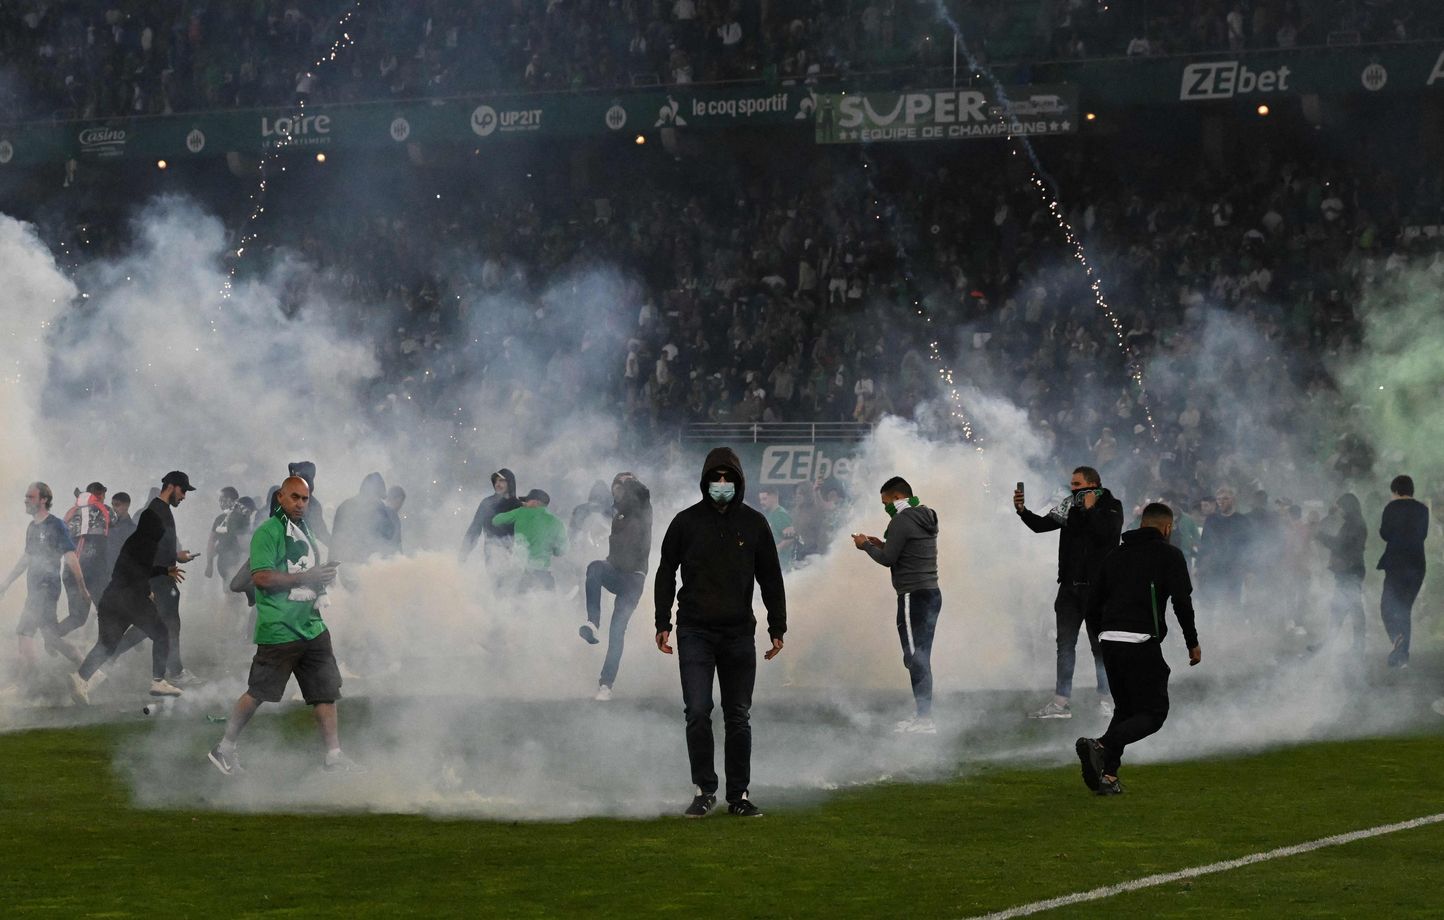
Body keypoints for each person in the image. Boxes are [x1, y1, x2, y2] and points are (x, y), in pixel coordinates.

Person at [655, 447, 786, 818]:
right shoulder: (684, 523)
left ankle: (739, 795)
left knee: (737, 715)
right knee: (697, 710)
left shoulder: (756, 524)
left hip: (739, 633)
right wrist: (662, 622)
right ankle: (703, 790)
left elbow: (771, 578)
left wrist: (778, 626)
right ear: (705, 481)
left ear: (740, 481)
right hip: (694, 630)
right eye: (717, 478)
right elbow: (665, 572)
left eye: (729, 479)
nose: (722, 485)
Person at [207, 476, 363, 776]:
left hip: (312, 625)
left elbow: (305, 572)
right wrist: (308, 578)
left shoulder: (303, 530)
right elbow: (261, 577)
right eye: (294, 497)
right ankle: (223, 748)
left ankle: (333, 756)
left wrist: (323, 577)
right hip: (280, 628)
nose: (300, 504)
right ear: (280, 497)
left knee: (325, 691)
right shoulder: (268, 531)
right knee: (258, 693)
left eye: (305, 499)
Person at [1075, 503, 1201, 796]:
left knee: (1126, 709)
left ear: (1141, 523)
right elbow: (1182, 602)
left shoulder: (1115, 555)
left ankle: (1107, 776)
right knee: (1154, 713)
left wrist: (1100, 638)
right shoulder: (1170, 556)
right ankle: (1101, 746)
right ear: (1167, 528)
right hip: (1140, 641)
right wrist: (1192, 643)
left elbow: (1092, 605)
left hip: (1110, 641)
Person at [69, 472, 195, 702]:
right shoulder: (152, 526)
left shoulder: (136, 542)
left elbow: (141, 563)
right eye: (183, 490)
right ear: (172, 487)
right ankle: (159, 681)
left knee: (107, 644)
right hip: (131, 597)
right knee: (162, 632)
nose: (184, 496)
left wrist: (165, 568)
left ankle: (80, 678)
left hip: (113, 596)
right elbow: (143, 564)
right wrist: (153, 583)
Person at [1014, 466, 1123, 719]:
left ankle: (1106, 699)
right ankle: (1061, 702)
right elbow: (1041, 526)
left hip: (1099, 591)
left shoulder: (1112, 506)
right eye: (1072, 485)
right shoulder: (1068, 507)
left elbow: (1106, 535)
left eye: (1077, 484)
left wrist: (1091, 509)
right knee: (1064, 646)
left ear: (1094, 484)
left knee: (1101, 647)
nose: (1072, 489)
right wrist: (1022, 511)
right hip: (1069, 589)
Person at [853, 476, 941, 734]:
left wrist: (866, 546)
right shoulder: (926, 514)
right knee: (921, 656)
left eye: (885, 502)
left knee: (916, 658)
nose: (885, 507)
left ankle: (925, 720)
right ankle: (923, 717)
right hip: (932, 592)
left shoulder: (901, 520)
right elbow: (905, 549)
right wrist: (882, 543)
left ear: (895, 497)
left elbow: (889, 559)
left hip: (912, 595)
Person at [1, 482, 89, 682]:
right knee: (52, 638)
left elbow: (71, 557)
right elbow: (27, 558)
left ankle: (25, 684)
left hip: (46, 589)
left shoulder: (56, 524)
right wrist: (6, 583)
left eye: (30, 497)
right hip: (35, 590)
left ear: (44, 500)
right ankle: (91, 671)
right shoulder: (32, 527)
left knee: (24, 632)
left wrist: (82, 589)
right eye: (26, 496)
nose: (26, 500)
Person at [580, 472, 652, 700]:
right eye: (617, 485)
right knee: (594, 567)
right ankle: (592, 622)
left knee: (617, 630)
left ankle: (606, 685)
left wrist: (629, 480)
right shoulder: (616, 512)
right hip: (615, 570)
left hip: (633, 579)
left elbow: (642, 493)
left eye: (624, 485)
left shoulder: (642, 506)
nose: (620, 488)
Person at [1377, 475, 1428, 669]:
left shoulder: (1391, 508)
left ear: (1396, 490)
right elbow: (1422, 534)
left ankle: (1397, 640)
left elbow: (1384, 534)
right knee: (1405, 609)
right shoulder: (1423, 509)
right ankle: (1402, 656)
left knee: (1387, 606)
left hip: (1397, 563)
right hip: (1416, 563)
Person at [1313, 493, 1367, 653]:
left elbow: (1340, 545)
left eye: (1341, 507)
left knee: (1349, 610)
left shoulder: (1354, 525)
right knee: (1342, 609)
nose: (1340, 511)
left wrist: (1320, 535)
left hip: (1350, 571)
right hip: (1350, 571)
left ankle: (1349, 646)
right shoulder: (1354, 523)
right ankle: (1332, 644)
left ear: (1348, 507)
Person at [58, 481, 112, 636]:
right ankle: (106, 652)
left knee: (77, 617)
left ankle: (52, 635)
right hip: (93, 573)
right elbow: (114, 519)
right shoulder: (105, 511)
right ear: (100, 495)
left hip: (70, 571)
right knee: (107, 614)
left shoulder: (71, 512)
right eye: (103, 496)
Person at [491, 489, 568, 591]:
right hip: (543, 574)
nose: (525, 503)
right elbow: (561, 551)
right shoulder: (557, 522)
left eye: (527, 500)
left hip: (520, 572)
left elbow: (496, 520)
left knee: (513, 601)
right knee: (547, 603)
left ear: (536, 502)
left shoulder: (521, 512)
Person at [1196, 485, 1251, 612]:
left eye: (1225, 498)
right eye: (1219, 499)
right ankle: (1208, 629)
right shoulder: (1211, 519)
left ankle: (1230, 628)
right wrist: (1198, 565)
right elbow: (1204, 543)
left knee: (1232, 603)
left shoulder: (1242, 520)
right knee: (1209, 602)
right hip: (1213, 567)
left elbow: (1248, 546)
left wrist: (1248, 569)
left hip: (1234, 568)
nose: (1221, 502)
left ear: (1233, 500)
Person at [330, 472, 395, 565]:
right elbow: (389, 533)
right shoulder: (377, 506)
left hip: (340, 562)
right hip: (363, 564)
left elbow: (335, 540)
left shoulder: (345, 505)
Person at [459, 468, 521, 566]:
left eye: (501, 481)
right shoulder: (487, 503)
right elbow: (475, 528)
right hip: (492, 557)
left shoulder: (519, 506)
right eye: (496, 481)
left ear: (510, 483)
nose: (497, 484)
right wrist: (463, 553)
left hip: (516, 559)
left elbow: (529, 534)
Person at [756, 486, 799, 570]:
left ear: (775, 497)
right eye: (760, 499)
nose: (762, 502)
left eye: (765, 499)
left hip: (782, 564)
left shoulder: (780, 514)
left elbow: (791, 538)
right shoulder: (769, 514)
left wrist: (776, 549)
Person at [106, 492, 137, 575]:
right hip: (108, 575)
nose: (114, 508)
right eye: (112, 505)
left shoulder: (134, 529)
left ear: (126, 505)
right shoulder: (109, 527)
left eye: (117, 505)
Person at [382, 486, 406, 555]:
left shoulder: (381, 512)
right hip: (388, 556)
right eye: (399, 502)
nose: (400, 506)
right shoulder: (391, 514)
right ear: (392, 499)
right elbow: (396, 541)